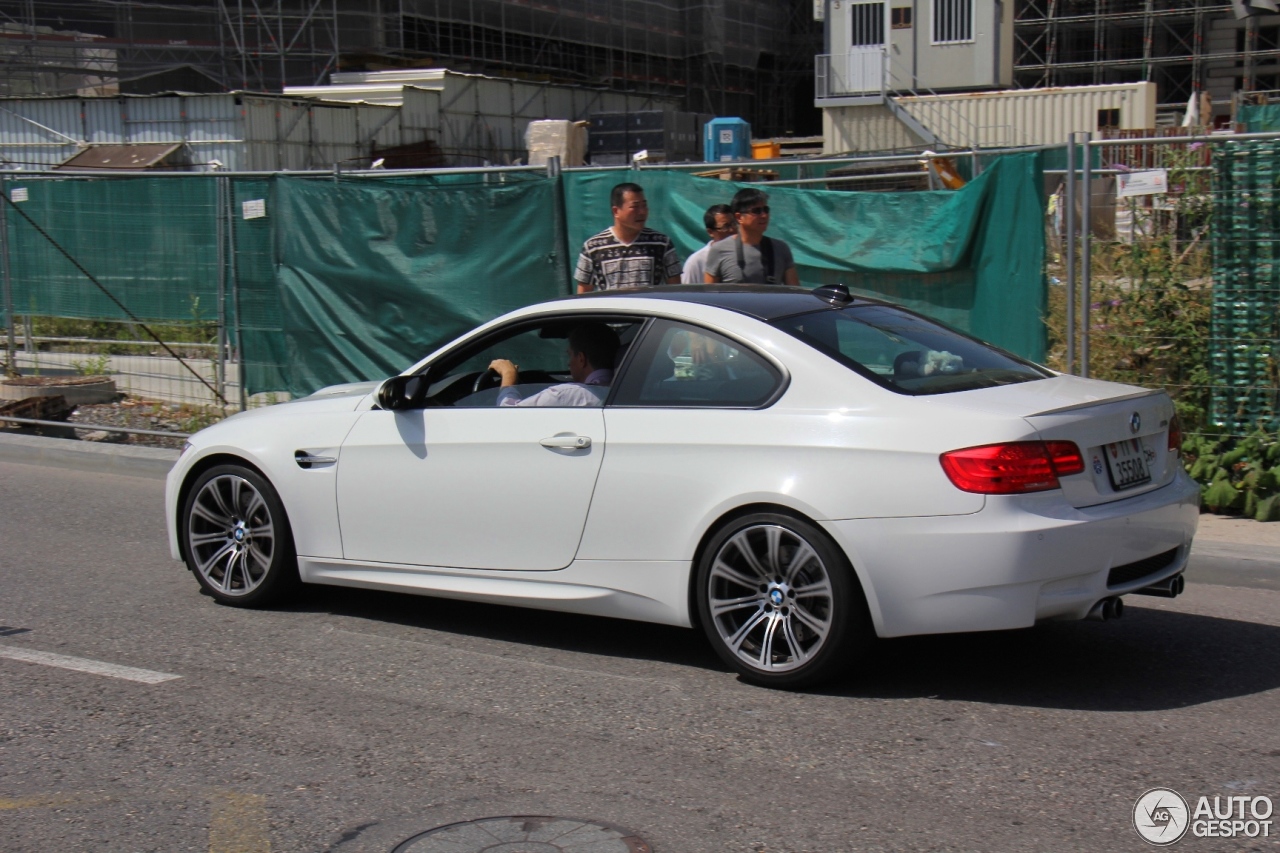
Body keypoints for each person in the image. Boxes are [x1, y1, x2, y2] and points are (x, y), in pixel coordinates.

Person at [575, 182, 681, 292]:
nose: (642, 212)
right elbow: (583, 293)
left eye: (644, 206)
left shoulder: (662, 244)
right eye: (635, 207)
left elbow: (675, 289)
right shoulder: (593, 247)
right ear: (616, 211)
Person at [488, 322, 621, 407]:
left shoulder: (567, 396)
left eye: (570, 355)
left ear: (581, 359)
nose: (569, 363)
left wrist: (508, 376)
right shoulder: (631, 390)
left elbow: (509, 416)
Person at [704, 187, 800, 286]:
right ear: (739, 217)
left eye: (766, 210)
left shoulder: (781, 249)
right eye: (756, 211)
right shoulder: (719, 250)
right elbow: (708, 295)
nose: (764, 215)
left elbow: (795, 294)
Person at [681, 204, 735, 284]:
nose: (732, 230)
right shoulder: (696, 262)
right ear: (710, 232)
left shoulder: (746, 254)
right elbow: (686, 294)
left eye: (734, 224)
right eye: (725, 227)